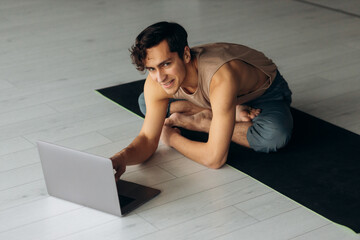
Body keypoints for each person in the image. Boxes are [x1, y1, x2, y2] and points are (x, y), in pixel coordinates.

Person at [111, 21, 293, 180]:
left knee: (273, 136)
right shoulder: (157, 80)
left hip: (263, 95)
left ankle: (204, 120)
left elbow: (215, 159)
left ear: (186, 55)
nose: (159, 78)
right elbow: (148, 139)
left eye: (166, 64)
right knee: (145, 101)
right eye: (151, 69)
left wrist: (171, 137)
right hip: (214, 97)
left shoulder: (221, 77)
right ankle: (223, 111)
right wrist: (121, 158)